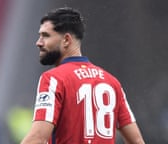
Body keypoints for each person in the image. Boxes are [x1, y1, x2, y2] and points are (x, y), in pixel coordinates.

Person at [21, 7, 145, 144]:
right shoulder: (112, 82)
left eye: (45, 36)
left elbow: (37, 137)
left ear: (66, 40)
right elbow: (137, 141)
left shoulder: (53, 79)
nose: (38, 42)